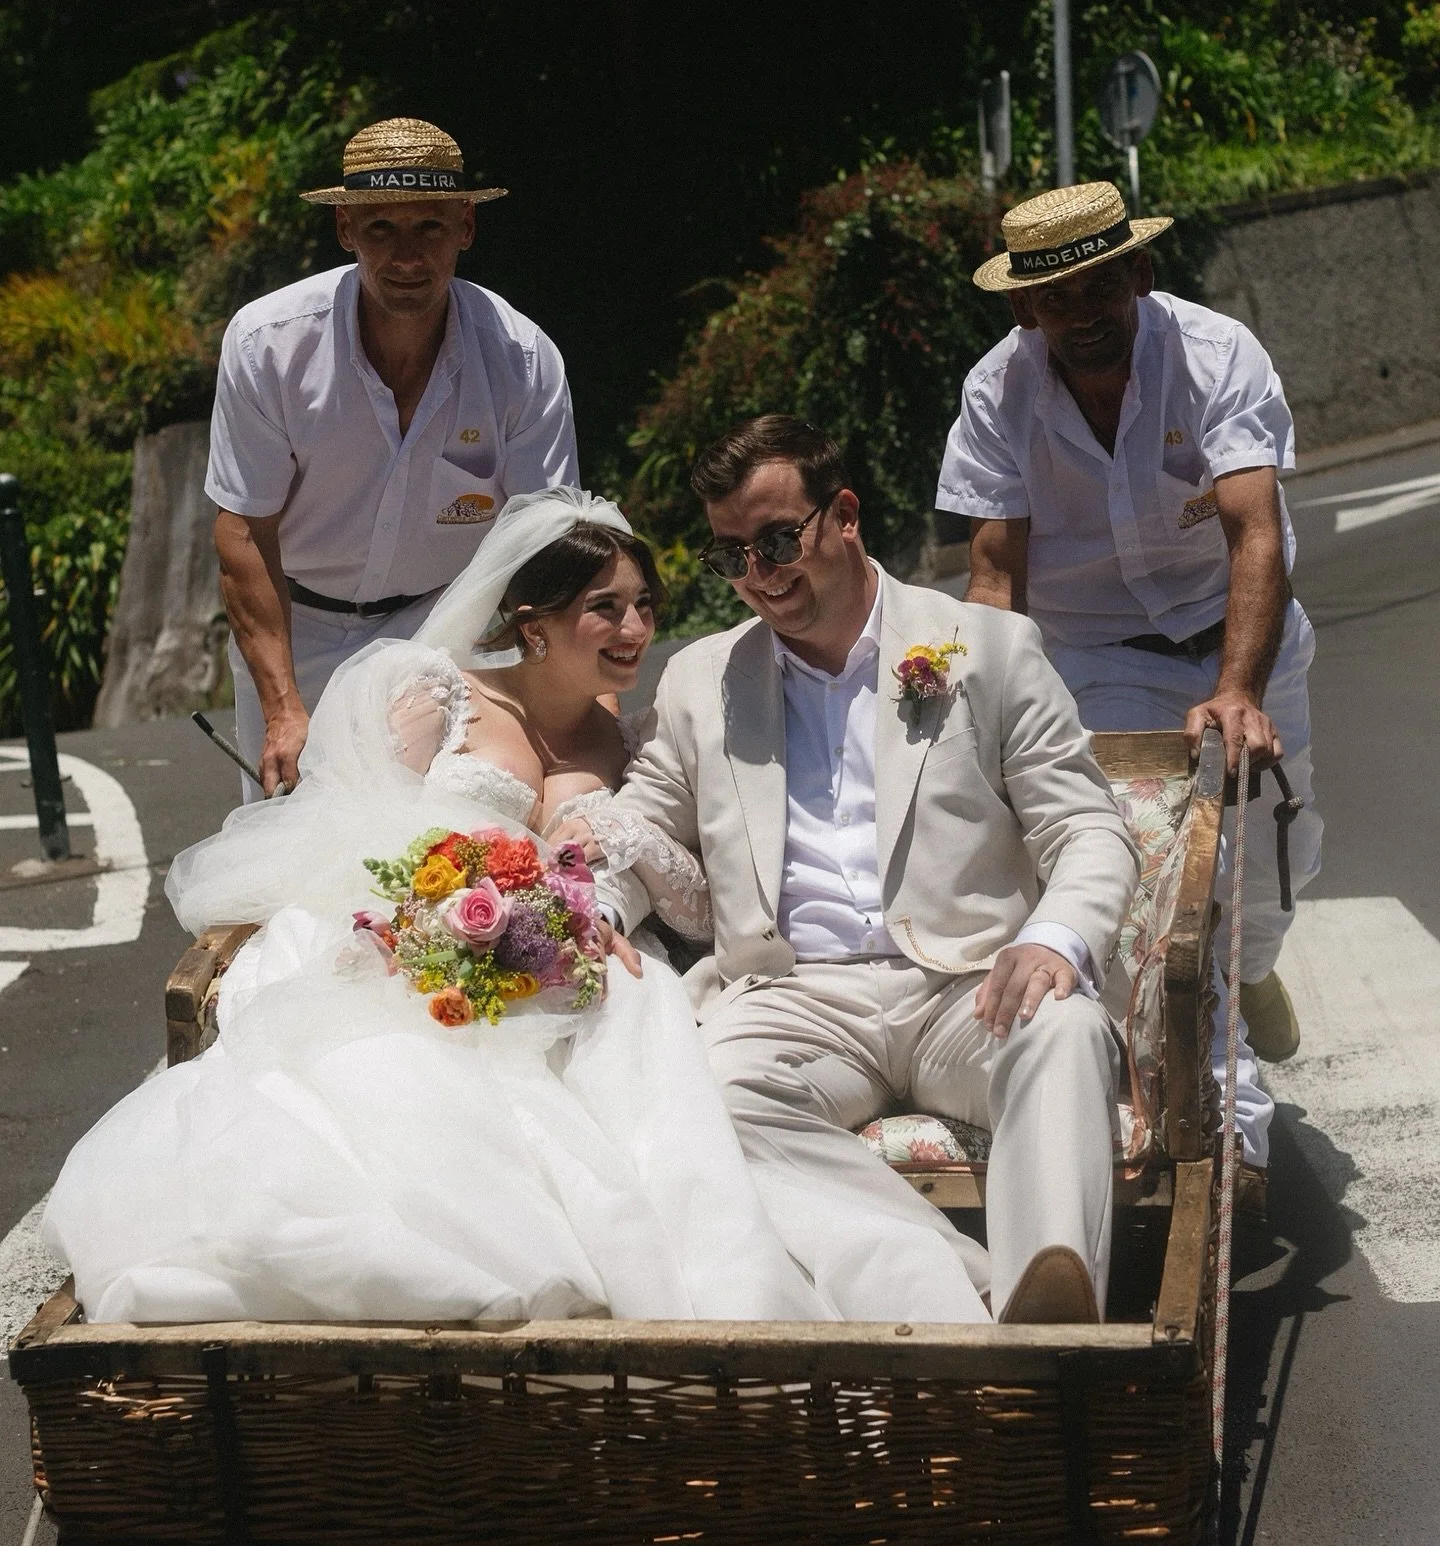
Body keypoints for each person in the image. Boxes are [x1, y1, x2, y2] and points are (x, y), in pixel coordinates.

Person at [43, 489, 991, 1328]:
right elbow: (360, 833)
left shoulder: (634, 740)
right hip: (413, 931)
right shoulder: (438, 696)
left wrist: (614, 863)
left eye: (644, 606)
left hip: (569, 957)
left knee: (642, 1029)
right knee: (390, 1075)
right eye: (604, 608)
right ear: (534, 624)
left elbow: (697, 903)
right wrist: (450, 911)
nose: (633, 628)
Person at [575, 416, 1140, 1324]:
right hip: (795, 995)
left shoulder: (984, 648)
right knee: (706, 1100)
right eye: (733, 556)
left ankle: (1054, 1311)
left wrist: (1054, 937)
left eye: (776, 540)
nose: (760, 576)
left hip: (969, 983)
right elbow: (639, 823)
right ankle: (967, 1294)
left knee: (1064, 1027)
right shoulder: (699, 681)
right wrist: (596, 903)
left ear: (843, 515)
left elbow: (1087, 827)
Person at [936, 179, 1324, 1166]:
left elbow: (1254, 530)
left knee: (1276, 866)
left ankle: (1262, 961)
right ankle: (1228, 1127)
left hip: (1239, 634)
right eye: (1055, 300)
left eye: (1100, 288)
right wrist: (984, 732)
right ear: (1026, 308)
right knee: (1156, 872)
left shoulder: (1217, 353)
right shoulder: (998, 392)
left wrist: (1237, 691)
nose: (1081, 317)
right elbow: (993, 577)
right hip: (1099, 656)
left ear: (1139, 277)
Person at [206, 116, 579, 800]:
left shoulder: (523, 361)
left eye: (429, 228)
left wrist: (568, 699)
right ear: (345, 229)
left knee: (443, 849)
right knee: (290, 854)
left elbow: (547, 548)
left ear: (466, 226)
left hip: (451, 624)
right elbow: (242, 532)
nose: (407, 256)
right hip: (299, 627)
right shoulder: (268, 345)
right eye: (381, 229)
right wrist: (284, 706)